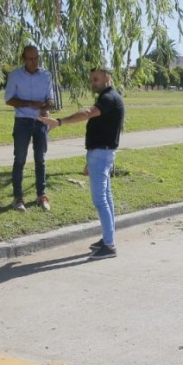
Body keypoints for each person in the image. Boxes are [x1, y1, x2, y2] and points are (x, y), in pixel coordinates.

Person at [40, 67, 124, 260]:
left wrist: (59, 122)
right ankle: (107, 239)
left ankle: (109, 245)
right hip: (101, 153)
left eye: (96, 79)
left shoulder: (109, 99)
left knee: (100, 199)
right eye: (91, 80)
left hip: (101, 154)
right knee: (106, 197)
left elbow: (87, 112)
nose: (92, 83)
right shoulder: (109, 98)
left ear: (107, 79)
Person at [4, 45, 55, 212]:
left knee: (40, 160)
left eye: (36, 58)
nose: (34, 62)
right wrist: (30, 104)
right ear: (23, 59)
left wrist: (48, 104)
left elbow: (50, 98)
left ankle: (41, 195)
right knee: (19, 160)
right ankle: (18, 198)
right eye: (30, 59)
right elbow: (9, 99)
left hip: (41, 121)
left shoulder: (46, 75)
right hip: (22, 121)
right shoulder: (15, 76)